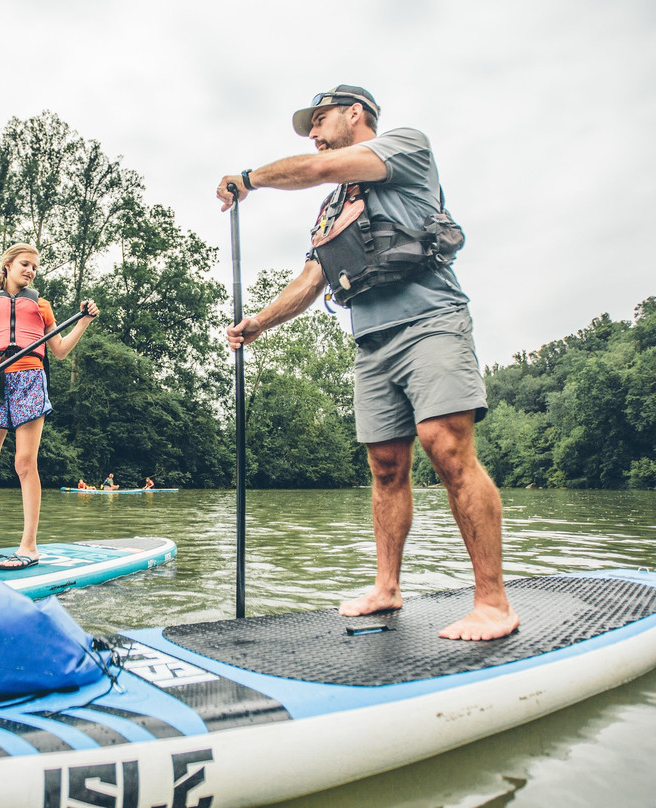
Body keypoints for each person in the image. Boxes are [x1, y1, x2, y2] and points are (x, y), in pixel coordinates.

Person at [217, 85, 518, 641]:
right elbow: (312, 279)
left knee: (446, 447)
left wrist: (249, 179)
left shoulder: (406, 147)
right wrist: (260, 321)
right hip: (371, 344)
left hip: (431, 323)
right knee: (385, 466)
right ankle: (386, 588)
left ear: (355, 114)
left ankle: (493, 604)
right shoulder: (332, 208)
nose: (313, 130)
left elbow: (316, 167)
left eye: (320, 119)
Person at [0, 243, 98, 569]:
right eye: (25, 264)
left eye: (34, 267)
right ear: (8, 265)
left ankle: (29, 546)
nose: (30, 271)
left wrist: (83, 322)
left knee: (24, 463)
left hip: (29, 379)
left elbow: (60, 350)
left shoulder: (41, 305)